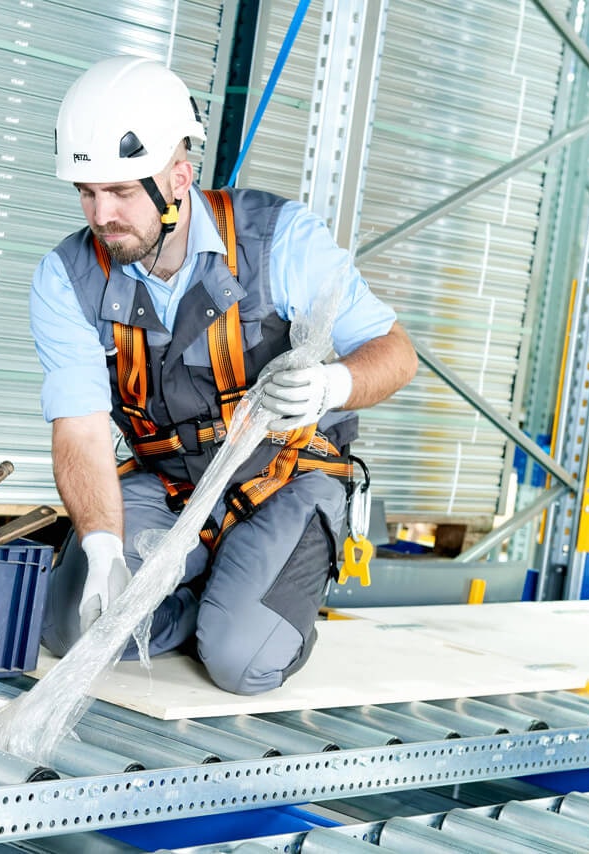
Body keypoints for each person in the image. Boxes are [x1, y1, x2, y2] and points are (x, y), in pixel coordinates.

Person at [29, 55, 417, 695]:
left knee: (241, 661)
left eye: (122, 191)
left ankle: (232, 593)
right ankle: (200, 588)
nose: (101, 215)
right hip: (173, 480)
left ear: (178, 177)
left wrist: (332, 386)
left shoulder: (279, 241)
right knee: (73, 628)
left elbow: (395, 351)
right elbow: (80, 429)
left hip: (282, 478)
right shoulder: (66, 277)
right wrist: (101, 546)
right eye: (87, 192)